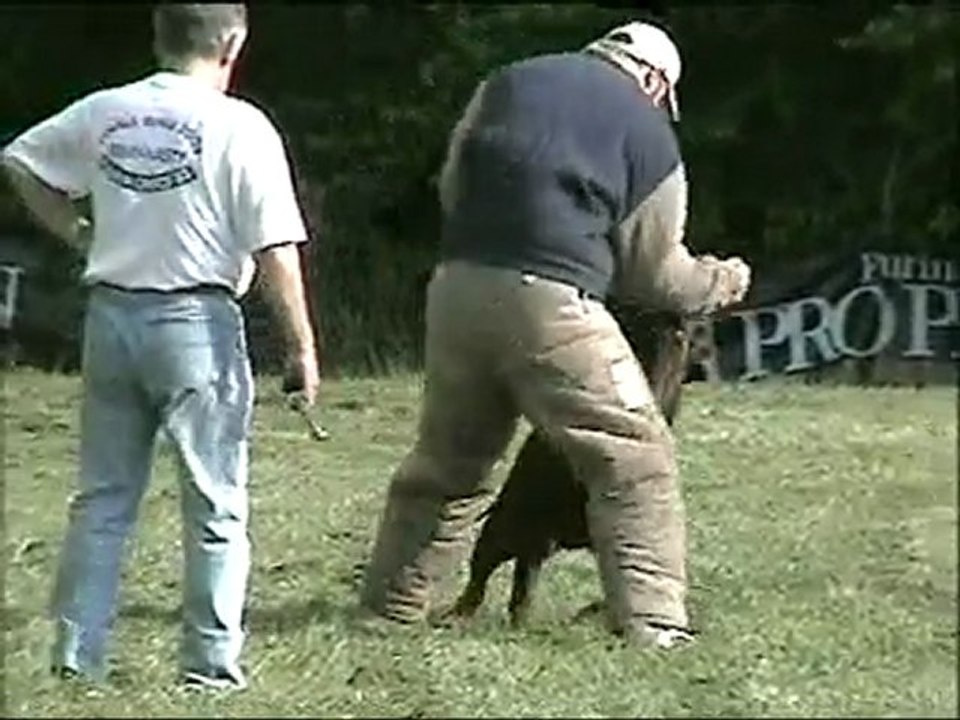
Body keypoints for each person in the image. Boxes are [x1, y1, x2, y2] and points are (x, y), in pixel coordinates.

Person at [359, 20, 751, 647]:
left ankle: (390, 610)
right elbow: (655, 276)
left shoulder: (507, 82)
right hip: (552, 303)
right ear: (655, 82)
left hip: (456, 286)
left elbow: (452, 184)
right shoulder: (647, 131)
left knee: (447, 466)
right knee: (634, 457)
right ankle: (656, 626)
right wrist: (721, 281)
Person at [2, 3, 319, 690]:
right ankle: (208, 668)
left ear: (158, 37)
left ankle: (75, 656)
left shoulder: (106, 111)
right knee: (215, 501)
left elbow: (21, 161)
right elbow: (275, 250)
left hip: (111, 316)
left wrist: (79, 232)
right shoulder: (240, 126)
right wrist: (301, 347)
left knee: (103, 498)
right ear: (232, 43)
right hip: (196, 324)